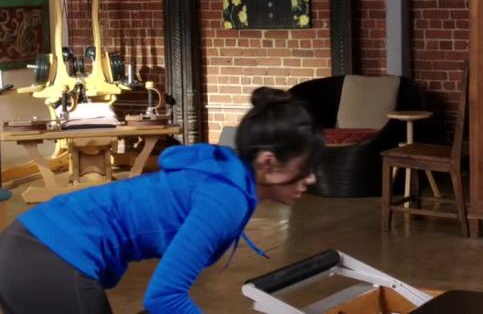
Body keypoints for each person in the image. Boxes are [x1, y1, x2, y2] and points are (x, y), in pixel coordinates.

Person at [0, 87, 322, 313]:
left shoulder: (225, 173)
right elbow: (164, 296)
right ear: (268, 163)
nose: (311, 179)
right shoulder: (226, 199)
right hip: (50, 257)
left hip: (30, 244)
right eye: (305, 167)